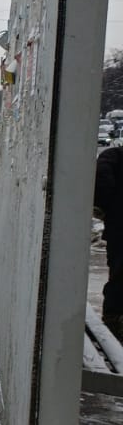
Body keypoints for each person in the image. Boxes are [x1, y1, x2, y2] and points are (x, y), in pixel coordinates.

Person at [95, 143, 123, 338]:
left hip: (119, 228)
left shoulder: (112, 157)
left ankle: (113, 320)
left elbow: (101, 183)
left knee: (119, 274)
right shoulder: (112, 158)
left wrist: (105, 209)